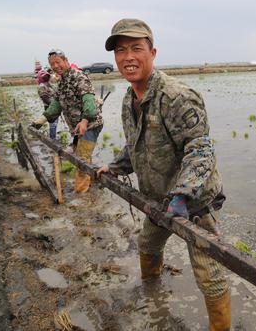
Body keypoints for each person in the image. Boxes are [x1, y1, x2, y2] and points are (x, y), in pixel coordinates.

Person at [97, 19, 230, 330]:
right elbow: (136, 145)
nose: (127, 57)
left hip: (193, 205)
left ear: (152, 52)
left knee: (208, 274)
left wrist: (182, 195)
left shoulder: (177, 96)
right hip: (157, 201)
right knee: (147, 247)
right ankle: (153, 298)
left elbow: (200, 150)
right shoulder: (130, 99)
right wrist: (115, 167)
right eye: (120, 51)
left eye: (135, 49)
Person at [32, 49, 103, 193]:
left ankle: (81, 194)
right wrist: (41, 120)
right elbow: (56, 105)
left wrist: (84, 121)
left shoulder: (78, 76)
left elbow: (88, 100)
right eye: (53, 64)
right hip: (77, 127)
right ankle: (93, 180)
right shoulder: (62, 81)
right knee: (81, 156)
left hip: (90, 125)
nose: (56, 66)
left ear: (65, 60)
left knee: (81, 161)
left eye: (58, 62)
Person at [36, 69, 58, 139]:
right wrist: (55, 103)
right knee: (53, 124)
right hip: (49, 107)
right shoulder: (41, 86)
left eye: (46, 76)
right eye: (44, 76)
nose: (46, 77)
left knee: (54, 123)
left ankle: (52, 137)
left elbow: (57, 92)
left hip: (55, 107)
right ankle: (52, 139)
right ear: (40, 78)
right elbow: (45, 98)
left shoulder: (49, 85)